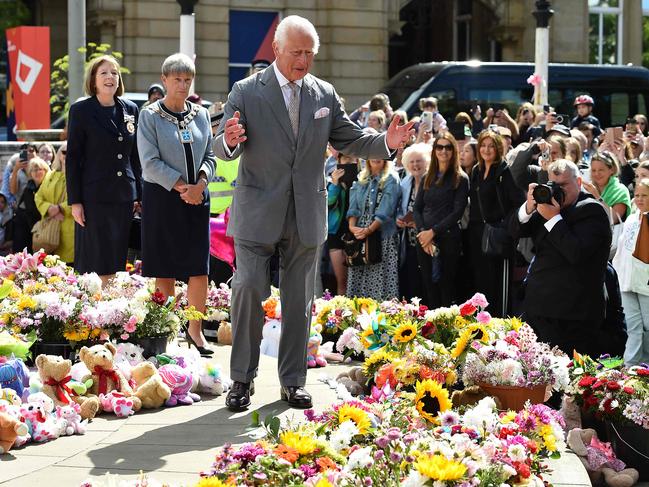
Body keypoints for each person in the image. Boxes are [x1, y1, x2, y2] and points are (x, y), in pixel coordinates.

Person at [214, 15, 414, 411]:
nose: (303, 60)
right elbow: (222, 144)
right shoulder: (246, 90)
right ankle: (241, 379)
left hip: (306, 212)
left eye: (309, 53)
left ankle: (292, 381)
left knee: (299, 300)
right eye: (296, 52)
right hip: (257, 211)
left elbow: (352, 138)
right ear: (277, 50)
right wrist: (229, 141)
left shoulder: (323, 93)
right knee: (249, 289)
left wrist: (386, 143)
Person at [137, 53, 216, 357]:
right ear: (164, 80)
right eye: (177, 79)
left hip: (197, 198)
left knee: (199, 268)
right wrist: (182, 186)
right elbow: (149, 162)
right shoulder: (150, 115)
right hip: (163, 198)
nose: (182, 85)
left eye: (187, 80)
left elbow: (210, 155)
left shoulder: (201, 114)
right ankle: (167, 331)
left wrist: (201, 184)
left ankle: (195, 331)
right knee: (165, 268)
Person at [511, 159, 611, 357]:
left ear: (579, 182)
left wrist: (554, 219)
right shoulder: (547, 205)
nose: (557, 191)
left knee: (571, 379)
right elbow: (514, 231)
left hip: (573, 316)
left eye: (563, 185)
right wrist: (528, 208)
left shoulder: (592, 210)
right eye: (553, 185)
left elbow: (576, 253)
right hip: (539, 309)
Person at [66, 54, 142, 285]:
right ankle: (92, 315)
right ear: (93, 80)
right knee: (94, 261)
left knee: (117, 259)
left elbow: (135, 157)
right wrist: (75, 201)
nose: (110, 77)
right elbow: (74, 159)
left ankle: (113, 314)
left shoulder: (130, 109)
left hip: (122, 197)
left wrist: (139, 194)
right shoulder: (81, 110)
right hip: (93, 198)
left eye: (114, 72)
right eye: (104, 73)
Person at [467, 131, 525, 317]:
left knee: (498, 283)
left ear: (498, 148)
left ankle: (499, 323)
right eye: (483, 145)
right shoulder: (476, 170)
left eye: (491, 146)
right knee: (480, 281)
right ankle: (481, 321)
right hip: (477, 233)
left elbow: (517, 203)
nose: (486, 150)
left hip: (497, 235)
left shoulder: (504, 171)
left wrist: (504, 227)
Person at [414, 134, 468, 308]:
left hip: (448, 239)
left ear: (454, 151)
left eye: (448, 147)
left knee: (446, 286)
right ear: (434, 151)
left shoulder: (460, 178)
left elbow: (457, 212)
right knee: (428, 285)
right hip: (424, 240)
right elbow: (417, 208)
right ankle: (429, 330)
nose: (443, 151)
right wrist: (423, 233)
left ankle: (444, 330)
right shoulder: (426, 177)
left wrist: (433, 232)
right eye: (439, 147)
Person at [346, 158, 400, 300]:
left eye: (380, 153)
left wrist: (369, 230)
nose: (376, 157)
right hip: (359, 236)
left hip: (381, 236)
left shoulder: (391, 179)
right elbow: (353, 208)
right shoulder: (361, 179)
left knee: (380, 282)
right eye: (373, 153)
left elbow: (386, 209)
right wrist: (353, 228)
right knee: (357, 279)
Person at [612, 178, 649, 365]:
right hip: (626, 282)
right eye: (637, 195)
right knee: (633, 328)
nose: (640, 199)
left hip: (646, 285)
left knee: (648, 327)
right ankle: (631, 370)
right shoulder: (631, 220)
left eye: (645, 195)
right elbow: (621, 251)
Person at [397, 143, 430, 301]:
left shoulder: (432, 182)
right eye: (412, 161)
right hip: (409, 241)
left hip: (429, 240)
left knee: (428, 282)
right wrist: (400, 220)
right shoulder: (404, 184)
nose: (415, 165)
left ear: (427, 162)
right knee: (411, 282)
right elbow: (400, 208)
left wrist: (420, 223)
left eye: (419, 161)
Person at [34, 144, 74, 264]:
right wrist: (49, 209)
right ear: (59, 155)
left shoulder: (79, 174)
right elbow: (38, 196)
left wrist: (60, 208)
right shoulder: (50, 174)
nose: (66, 155)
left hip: (70, 226)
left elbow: (79, 197)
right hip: (50, 228)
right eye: (64, 152)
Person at [327, 153, 358, 296]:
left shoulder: (362, 180)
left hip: (357, 232)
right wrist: (335, 184)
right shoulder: (332, 181)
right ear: (338, 161)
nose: (349, 161)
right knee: (342, 280)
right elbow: (328, 203)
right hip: (337, 233)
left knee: (356, 279)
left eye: (351, 158)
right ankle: (341, 315)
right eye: (345, 158)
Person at [12, 158, 49, 253]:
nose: (37, 172)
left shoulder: (49, 187)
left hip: (45, 230)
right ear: (30, 173)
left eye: (39, 169)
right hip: (25, 229)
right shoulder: (29, 188)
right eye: (33, 170)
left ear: (45, 170)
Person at [2, 143, 36, 207]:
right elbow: (13, 191)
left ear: (37, 154)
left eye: (31, 151)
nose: (28, 153)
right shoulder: (18, 171)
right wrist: (16, 169)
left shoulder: (42, 168)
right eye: (25, 152)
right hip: (23, 208)